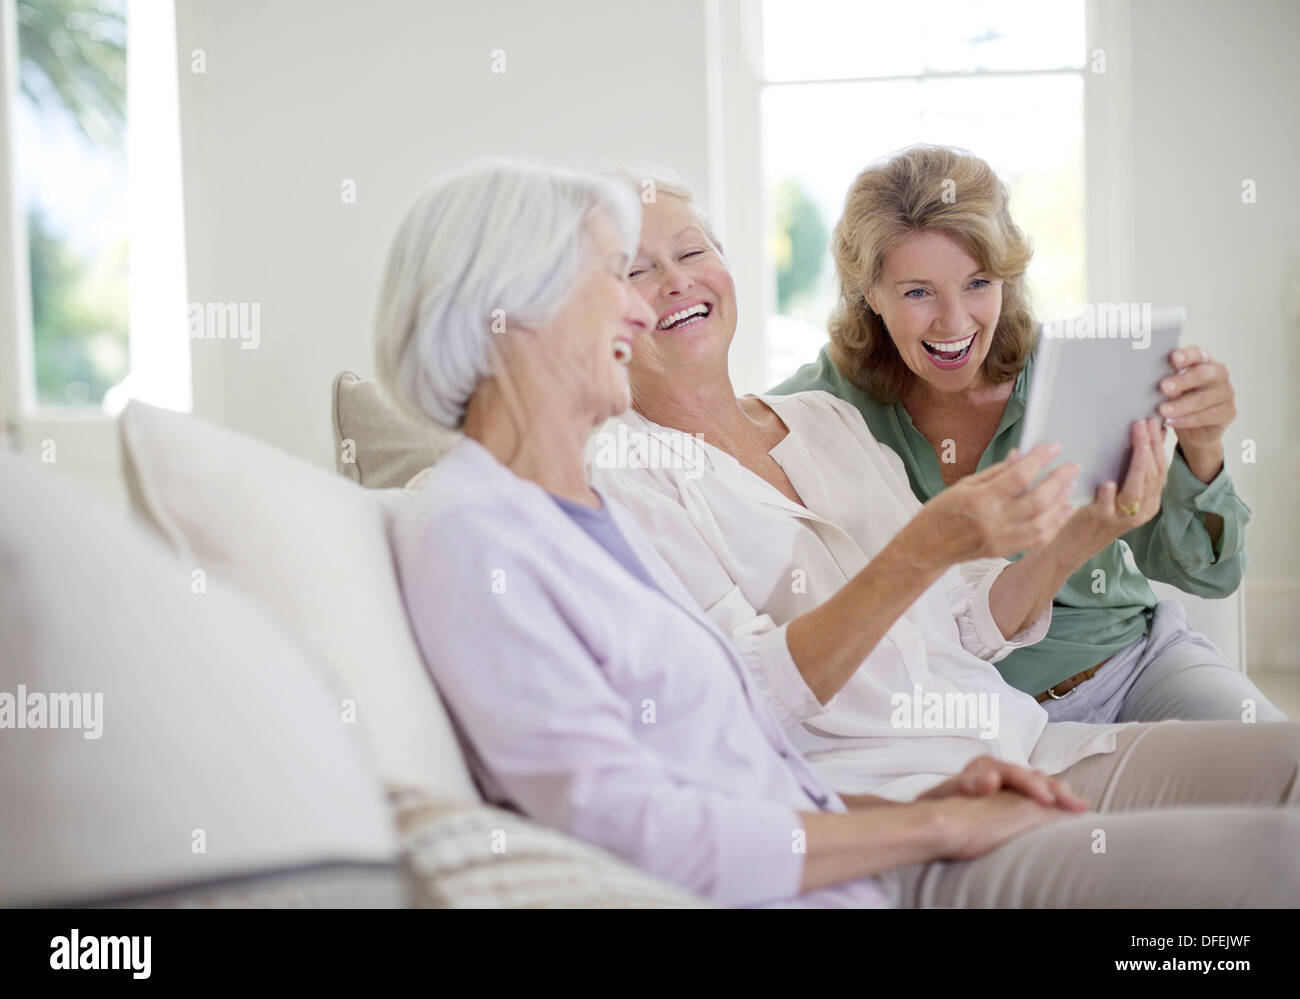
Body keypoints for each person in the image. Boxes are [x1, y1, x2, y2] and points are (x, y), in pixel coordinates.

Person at [378, 158, 1300, 908]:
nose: (642, 300)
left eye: (691, 252)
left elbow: (938, 638)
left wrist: (1082, 536)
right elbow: (691, 772)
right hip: (906, 816)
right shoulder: (530, 509)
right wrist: (928, 817)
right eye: (616, 273)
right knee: (1271, 862)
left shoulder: (807, 426)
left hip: (989, 759)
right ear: (510, 308)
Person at [773, 145, 1283, 724]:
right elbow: (722, 436)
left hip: (1135, 666)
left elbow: (1208, 575)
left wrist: (1204, 445)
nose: (955, 321)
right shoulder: (822, 404)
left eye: (977, 283)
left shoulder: (1072, 373)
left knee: (1276, 765)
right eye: (918, 292)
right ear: (871, 293)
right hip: (972, 717)